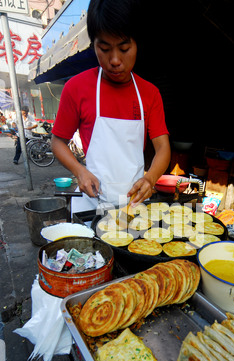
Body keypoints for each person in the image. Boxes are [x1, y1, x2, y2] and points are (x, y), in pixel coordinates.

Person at [51, 0, 171, 213]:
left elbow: (162, 147)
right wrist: (80, 171)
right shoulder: (76, 88)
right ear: (93, 44)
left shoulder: (149, 93)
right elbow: (58, 142)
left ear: (136, 44)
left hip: (134, 205)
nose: (115, 60)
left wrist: (150, 179)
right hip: (92, 204)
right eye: (104, 48)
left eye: (124, 48)